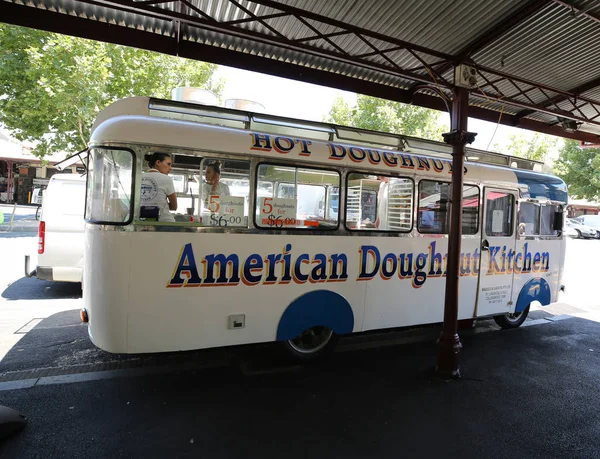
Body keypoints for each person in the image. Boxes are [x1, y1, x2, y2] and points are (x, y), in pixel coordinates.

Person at [140, 153, 177, 222]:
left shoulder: (139, 177)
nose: (170, 168)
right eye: (168, 164)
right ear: (158, 162)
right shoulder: (167, 179)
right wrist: (160, 205)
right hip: (164, 222)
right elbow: (174, 206)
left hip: (143, 221)